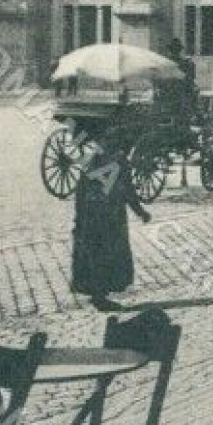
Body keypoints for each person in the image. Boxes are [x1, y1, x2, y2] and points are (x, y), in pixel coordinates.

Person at [71, 128, 150, 311]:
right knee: (107, 254)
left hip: (90, 213)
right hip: (109, 215)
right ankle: (101, 297)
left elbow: (80, 190)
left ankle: (97, 293)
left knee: (92, 254)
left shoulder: (92, 158)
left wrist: (79, 216)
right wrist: (140, 212)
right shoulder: (120, 161)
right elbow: (128, 191)